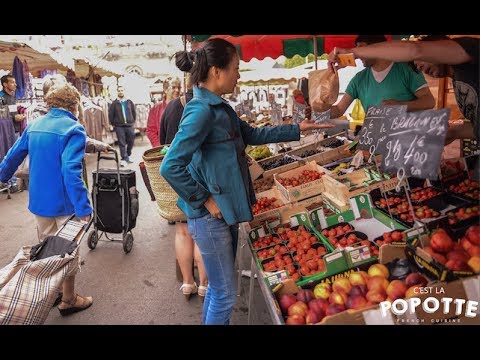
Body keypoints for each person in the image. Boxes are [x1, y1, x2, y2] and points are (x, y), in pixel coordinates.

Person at [160, 38, 334, 325]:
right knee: (226, 295)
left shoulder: (218, 107)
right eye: (236, 68)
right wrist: (204, 197)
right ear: (217, 71)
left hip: (222, 213)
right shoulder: (201, 110)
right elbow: (171, 165)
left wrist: (296, 129)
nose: (238, 75)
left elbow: (252, 135)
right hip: (210, 217)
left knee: (218, 290)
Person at [0, 82, 93, 316]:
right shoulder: (74, 129)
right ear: (73, 105)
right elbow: (70, 172)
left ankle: (54, 293)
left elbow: (12, 157)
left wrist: (1, 177)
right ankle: (69, 299)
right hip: (65, 204)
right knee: (68, 251)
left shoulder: (34, 125)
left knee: (47, 249)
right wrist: (83, 206)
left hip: (39, 202)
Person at [328, 35, 479, 143]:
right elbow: (476, 126)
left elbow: (415, 49)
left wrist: (353, 52)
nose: (419, 67)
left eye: (420, 61)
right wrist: (453, 132)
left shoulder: (470, 49)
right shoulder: (460, 78)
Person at [159, 81, 208, 300]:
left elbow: (163, 144)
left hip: (175, 179)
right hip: (198, 178)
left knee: (182, 231)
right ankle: (205, 285)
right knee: (202, 235)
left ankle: (188, 282)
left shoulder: (170, 107)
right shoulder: (205, 105)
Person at [328, 35, 435, 119]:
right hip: (377, 141)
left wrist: (401, 105)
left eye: (361, 49)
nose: (357, 55)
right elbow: (339, 109)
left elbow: (429, 101)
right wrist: (315, 115)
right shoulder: (359, 79)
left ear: (378, 48)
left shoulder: (406, 69)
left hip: (407, 141)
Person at [0, 74, 26, 193]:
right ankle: (8, 182)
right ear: (5, 84)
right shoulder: (1, 97)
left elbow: (12, 113)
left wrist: (17, 116)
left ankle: (12, 182)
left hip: (14, 131)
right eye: (12, 82)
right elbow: (3, 116)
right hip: (6, 133)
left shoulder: (12, 97)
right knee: (8, 156)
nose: (15, 84)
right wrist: (14, 118)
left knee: (13, 156)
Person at [109, 86, 136, 167]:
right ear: (117, 92)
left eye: (122, 90)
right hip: (119, 126)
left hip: (129, 125)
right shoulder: (114, 103)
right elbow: (111, 114)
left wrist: (132, 121)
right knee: (122, 142)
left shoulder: (129, 102)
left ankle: (128, 155)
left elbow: (133, 112)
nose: (120, 92)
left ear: (124, 91)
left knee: (131, 140)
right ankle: (124, 159)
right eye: (119, 90)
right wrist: (113, 123)